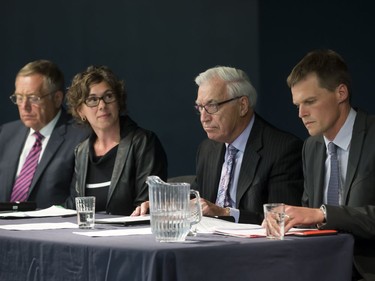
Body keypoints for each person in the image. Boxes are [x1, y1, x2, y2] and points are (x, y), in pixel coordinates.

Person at [133, 66, 304, 224]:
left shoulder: (283, 149)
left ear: (242, 105)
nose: (203, 117)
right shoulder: (208, 149)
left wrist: (226, 213)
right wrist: (164, 206)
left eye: (212, 106)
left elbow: (281, 221)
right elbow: (202, 202)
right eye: (200, 107)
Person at [284, 49, 375, 281]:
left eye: (310, 101)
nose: (301, 114)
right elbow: (308, 212)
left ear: (340, 93)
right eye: (297, 105)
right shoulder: (311, 147)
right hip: (321, 267)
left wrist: (323, 214)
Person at [65, 65, 168, 215]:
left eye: (108, 96)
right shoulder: (81, 151)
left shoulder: (143, 142)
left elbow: (146, 206)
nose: (102, 105)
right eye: (93, 100)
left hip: (130, 234)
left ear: (118, 102)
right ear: (81, 111)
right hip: (88, 236)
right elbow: (75, 206)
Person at [0, 60, 89, 208]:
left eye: (33, 98)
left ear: (57, 98)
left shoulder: (81, 136)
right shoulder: (5, 134)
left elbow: (78, 201)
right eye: (19, 98)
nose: (24, 107)